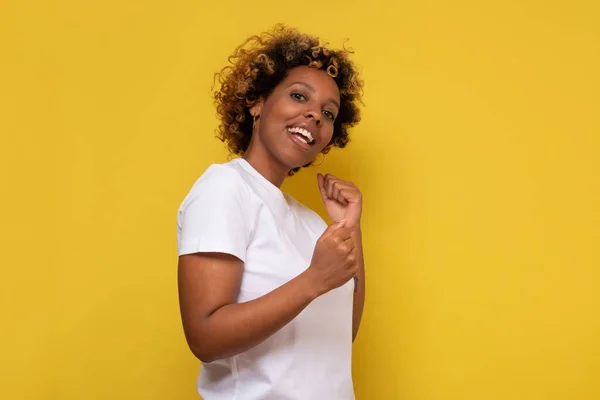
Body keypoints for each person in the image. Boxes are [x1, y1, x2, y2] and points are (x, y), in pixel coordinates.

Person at [176, 24, 365, 399]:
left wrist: (349, 228)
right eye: (299, 96)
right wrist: (313, 279)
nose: (315, 116)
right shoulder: (225, 189)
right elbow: (205, 337)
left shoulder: (311, 222)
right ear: (257, 102)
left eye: (328, 113)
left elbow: (340, 335)